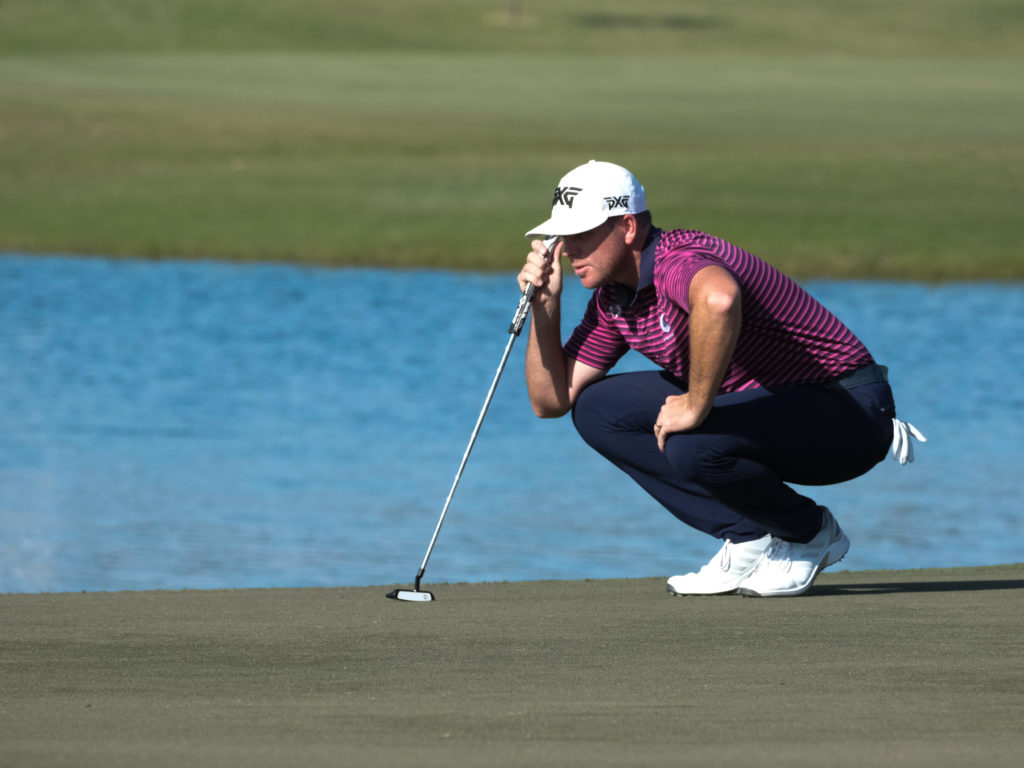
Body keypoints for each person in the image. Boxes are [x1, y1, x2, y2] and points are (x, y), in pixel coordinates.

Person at [517, 160, 925, 597]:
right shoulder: (613, 299)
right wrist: (545, 305)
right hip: (771, 408)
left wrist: (695, 405)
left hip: (848, 413)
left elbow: (720, 299)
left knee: (691, 441)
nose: (567, 249)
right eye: (563, 236)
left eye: (580, 234)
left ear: (628, 228)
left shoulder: (677, 259)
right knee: (597, 410)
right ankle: (751, 536)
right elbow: (551, 401)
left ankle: (809, 532)